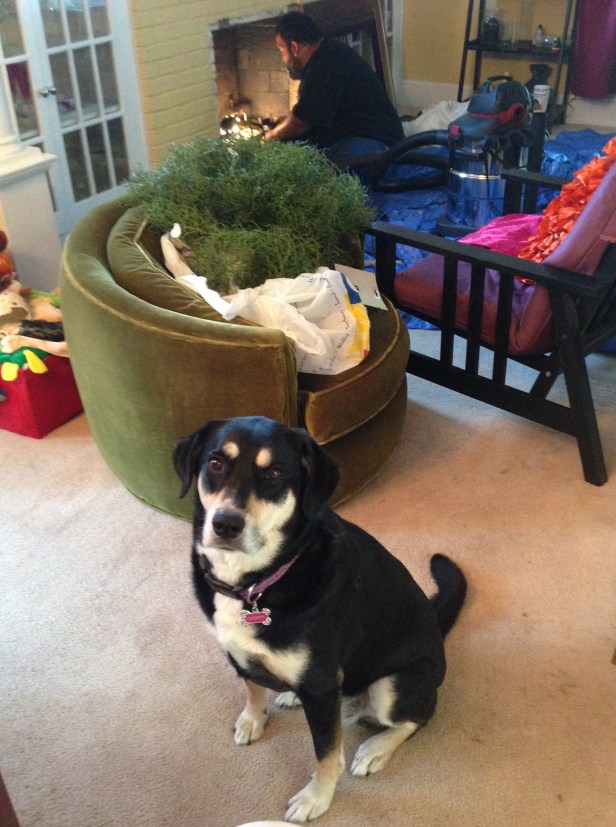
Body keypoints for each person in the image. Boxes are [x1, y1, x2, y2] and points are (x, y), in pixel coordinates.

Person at [264, 11, 403, 173]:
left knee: (307, 168)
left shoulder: (324, 65)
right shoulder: (327, 52)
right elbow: (309, 113)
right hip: (365, 138)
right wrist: (287, 122)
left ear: (294, 47)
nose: (283, 58)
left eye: (282, 51)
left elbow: (302, 121)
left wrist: (272, 134)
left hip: (378, 146)